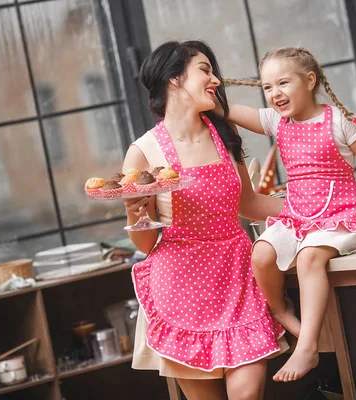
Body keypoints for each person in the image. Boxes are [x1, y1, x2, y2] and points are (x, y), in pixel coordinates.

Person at [123, 40, 286, 400]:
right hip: (181, 288)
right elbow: (146, 243)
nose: (215, 79)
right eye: (204, 69)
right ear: (174, 80)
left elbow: (249, 203)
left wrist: (306, 206)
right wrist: (138, 211)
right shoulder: (143, 153)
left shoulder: (225, 134)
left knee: (247, 394)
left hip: (236, 275)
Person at [224, 47, 356, 382]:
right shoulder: (277, 121)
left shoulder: (338, 121)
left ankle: (308, 346)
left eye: (283, 83)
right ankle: (281, 309)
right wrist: (206, 98)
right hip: (300, 215)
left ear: (310, 80)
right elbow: (230, 111)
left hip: (342, 213)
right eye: (268, 87)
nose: (275, 94)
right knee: (260, 253)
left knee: (308, 257)